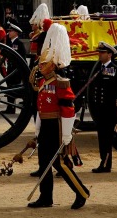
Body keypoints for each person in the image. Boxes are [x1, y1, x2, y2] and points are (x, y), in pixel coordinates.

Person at [22, 22, 88, 209]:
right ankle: (46, 197)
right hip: (46, 126)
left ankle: (81, 192)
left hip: (58, 128)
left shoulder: (60, 83)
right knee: (44, 163)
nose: (41, 66)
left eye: (44, 63)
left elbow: (68, 110)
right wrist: (37, 130)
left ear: (52, 64)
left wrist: (67, 135)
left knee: (59, 163)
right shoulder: (44, 82)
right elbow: (41, 108)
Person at [87, 42, 117, 172]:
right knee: (107, 136)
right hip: (100, 110)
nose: (99, 55)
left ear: (109, 54)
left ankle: (105, 164)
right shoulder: (98, 69)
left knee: (106, 138)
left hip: (110, 109)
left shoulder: (116, 70)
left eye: (102, 53)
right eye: (99, 52)